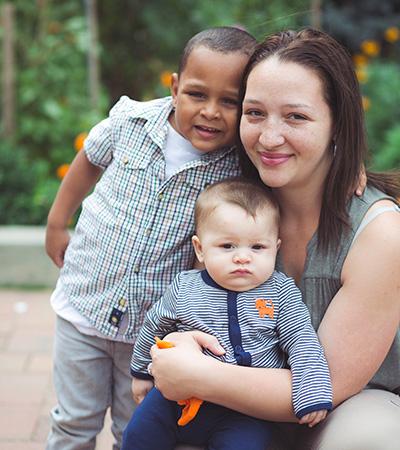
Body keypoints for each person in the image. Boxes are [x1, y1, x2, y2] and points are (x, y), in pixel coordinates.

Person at [146, 28, 400, 450]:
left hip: (347, 406)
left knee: (368, 438)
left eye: (296, 117)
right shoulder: (231, 205)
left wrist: (197, 374)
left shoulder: (380, 233)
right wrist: (182, 343)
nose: (268, 138)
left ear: (339, 122)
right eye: (255, 112)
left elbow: (329, 385)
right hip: (240, 409)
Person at [44, 26, 257, 450]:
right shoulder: (130, 121)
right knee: (73, 422)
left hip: (151, 328)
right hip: (83, 305)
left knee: (136, 428)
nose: (211, 112)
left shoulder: (237, 164)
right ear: (175, 87)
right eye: (197, 94)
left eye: (229, 101)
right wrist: (56, 221)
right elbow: (88, 160)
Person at [122, 178, 332, 450]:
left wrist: (312, 393)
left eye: (257, 247)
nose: (243, 257)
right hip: (180, 396)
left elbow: (302, 341)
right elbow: (155, 325)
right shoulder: (186, 287)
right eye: (227, 246)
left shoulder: (280, 292)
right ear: (200, 248)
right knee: (138, 434)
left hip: (245, 408)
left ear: (275, 248)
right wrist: (141, 372)